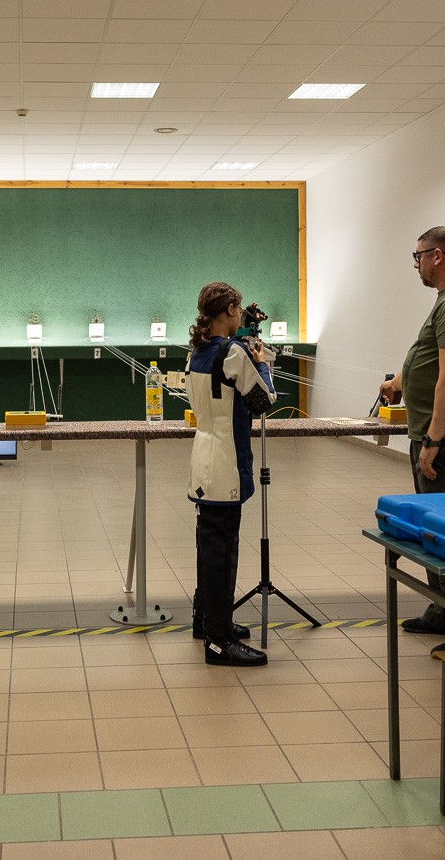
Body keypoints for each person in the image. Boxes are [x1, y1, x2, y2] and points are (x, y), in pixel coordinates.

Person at [377, 226, 445, 646]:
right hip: (441, 437)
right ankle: (444, 612)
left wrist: (432, 441)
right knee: (434, 531)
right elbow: (430, 356)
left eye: (418, 256)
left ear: (437, 255)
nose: (416, 264)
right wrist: (400, 381)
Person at [186, 282, 276, 667]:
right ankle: (219, 641)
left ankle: (206, 619)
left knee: (209, 548)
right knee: (223, 550)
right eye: (238, 310)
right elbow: (263, 401)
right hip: (226, 463)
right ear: (230, 310)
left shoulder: (198, 351)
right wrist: (263, 364)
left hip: (203, 458)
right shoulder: (233, 352)